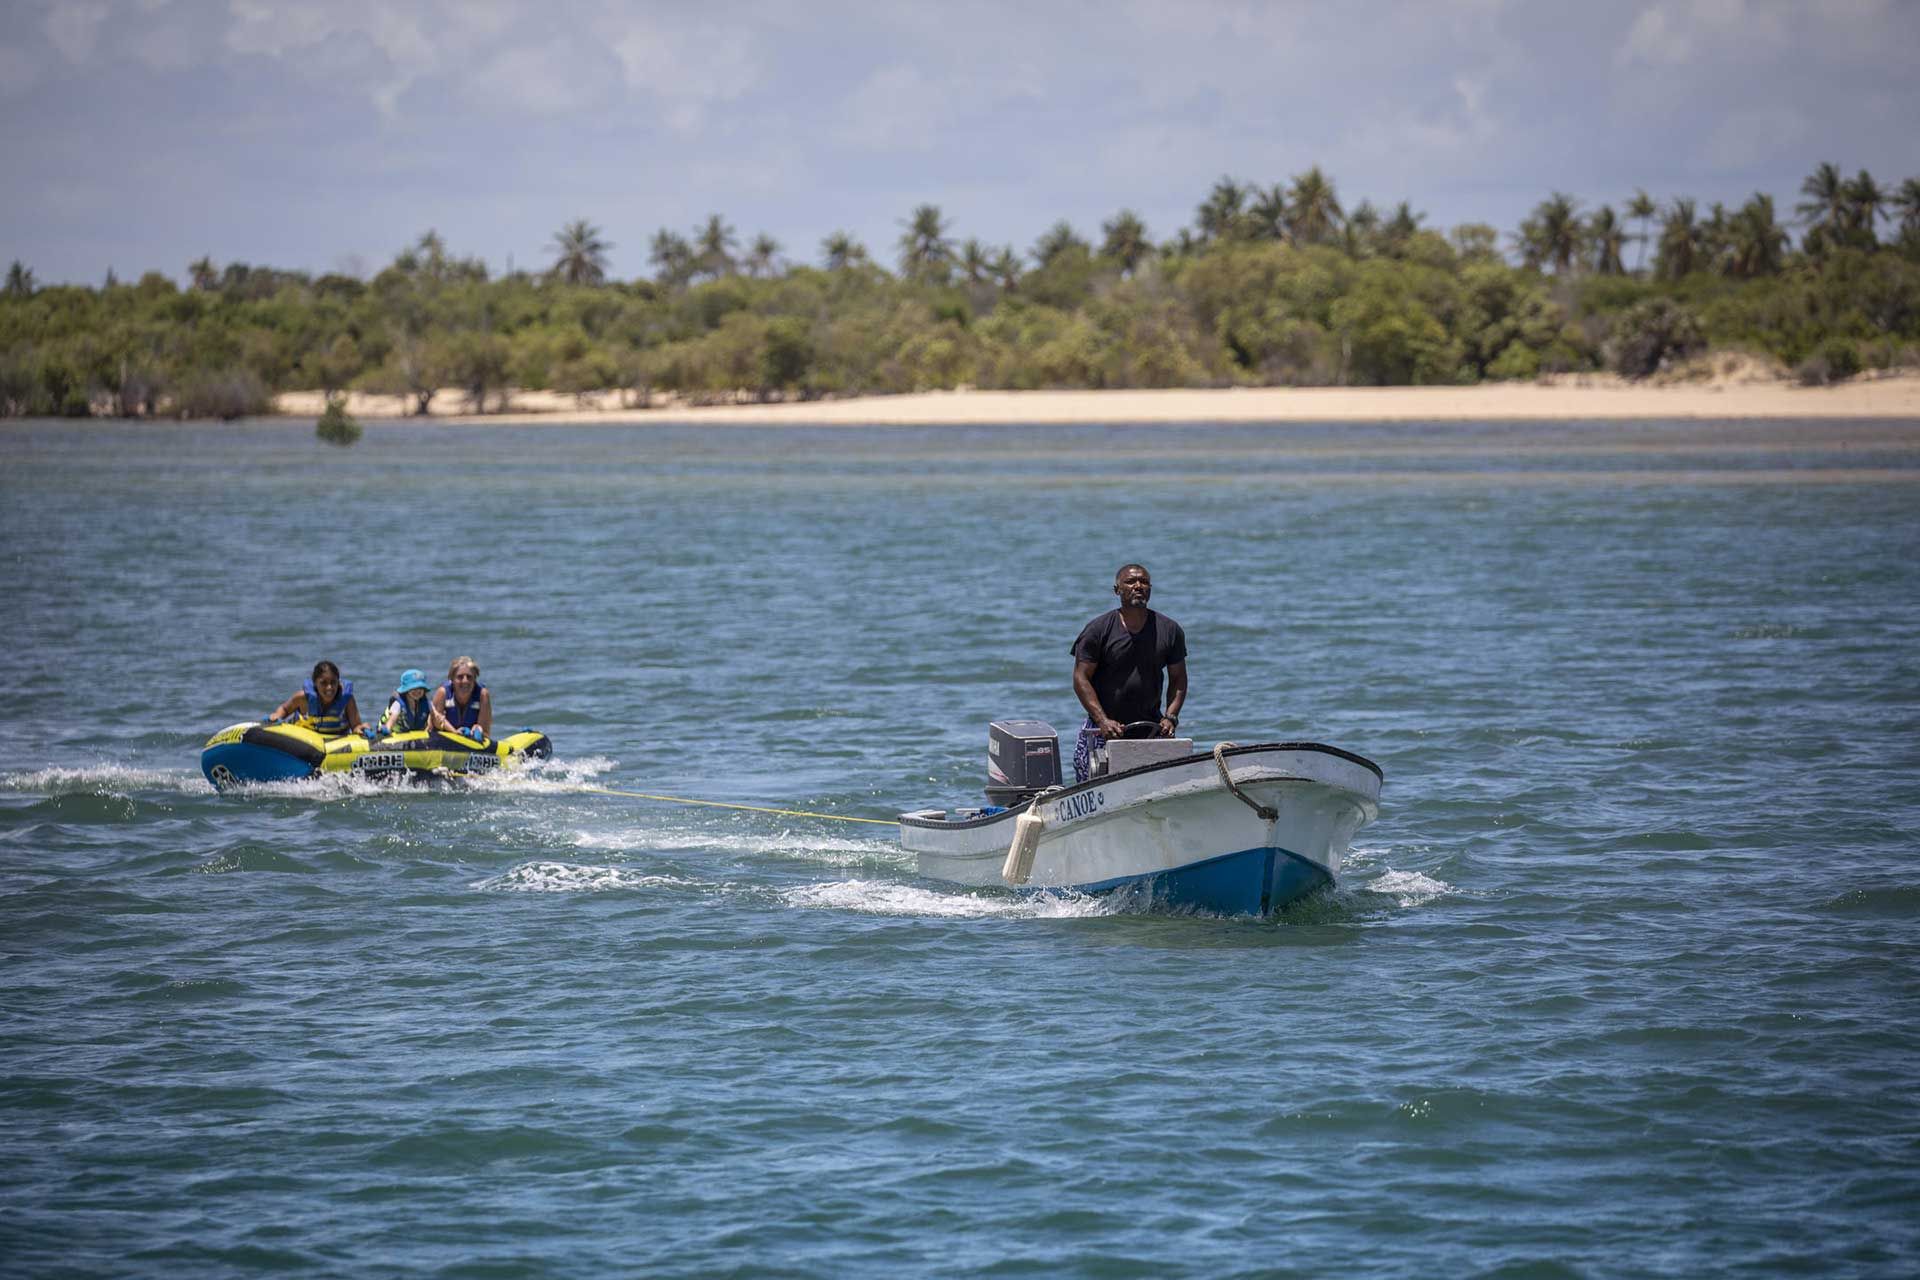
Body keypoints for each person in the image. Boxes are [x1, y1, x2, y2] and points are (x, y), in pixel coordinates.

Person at [1069, 563, 1187, 783]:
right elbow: (1080, 678)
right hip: (1103, 729)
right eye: (1131, 582)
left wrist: (1171, 716)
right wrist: (1103, 720)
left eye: (1143, 582)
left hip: (1152, 727)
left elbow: (1178, 678)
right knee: (1091, 783)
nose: (1138, 586)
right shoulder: (1098, 630)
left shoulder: (1170, 630)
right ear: (1117, 590)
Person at [269, 660, 364, 735]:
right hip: (303, 742)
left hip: (335, 744)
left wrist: (359, 728)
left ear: (338, 682)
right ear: (315, 683)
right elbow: (284, 709)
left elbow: (356, 725)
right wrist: (277, 715)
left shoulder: (347, 700)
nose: (329, 687)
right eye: (323, 683)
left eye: (333, 682)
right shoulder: (303, 698)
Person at [378, 668, 451, 736]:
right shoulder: (398, 704)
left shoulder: (427, 703)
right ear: (406, 690)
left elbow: (437, 717)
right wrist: (387, 729)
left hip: (412, 734)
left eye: (420, 688)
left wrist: (453, 730)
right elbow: (392, 718)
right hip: (392, 732)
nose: (417, 691)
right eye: (413, 688)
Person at [437, 655, 493, 740]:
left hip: (470, 742)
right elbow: (433, 725)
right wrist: (454, 732)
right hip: (446, 741)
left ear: (475, 679)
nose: (465, 681)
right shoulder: (443, 693)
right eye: (460, 677)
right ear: (452, 679)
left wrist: (478, 729)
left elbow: (485, 733)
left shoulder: (483, 695)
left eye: (469, 677)